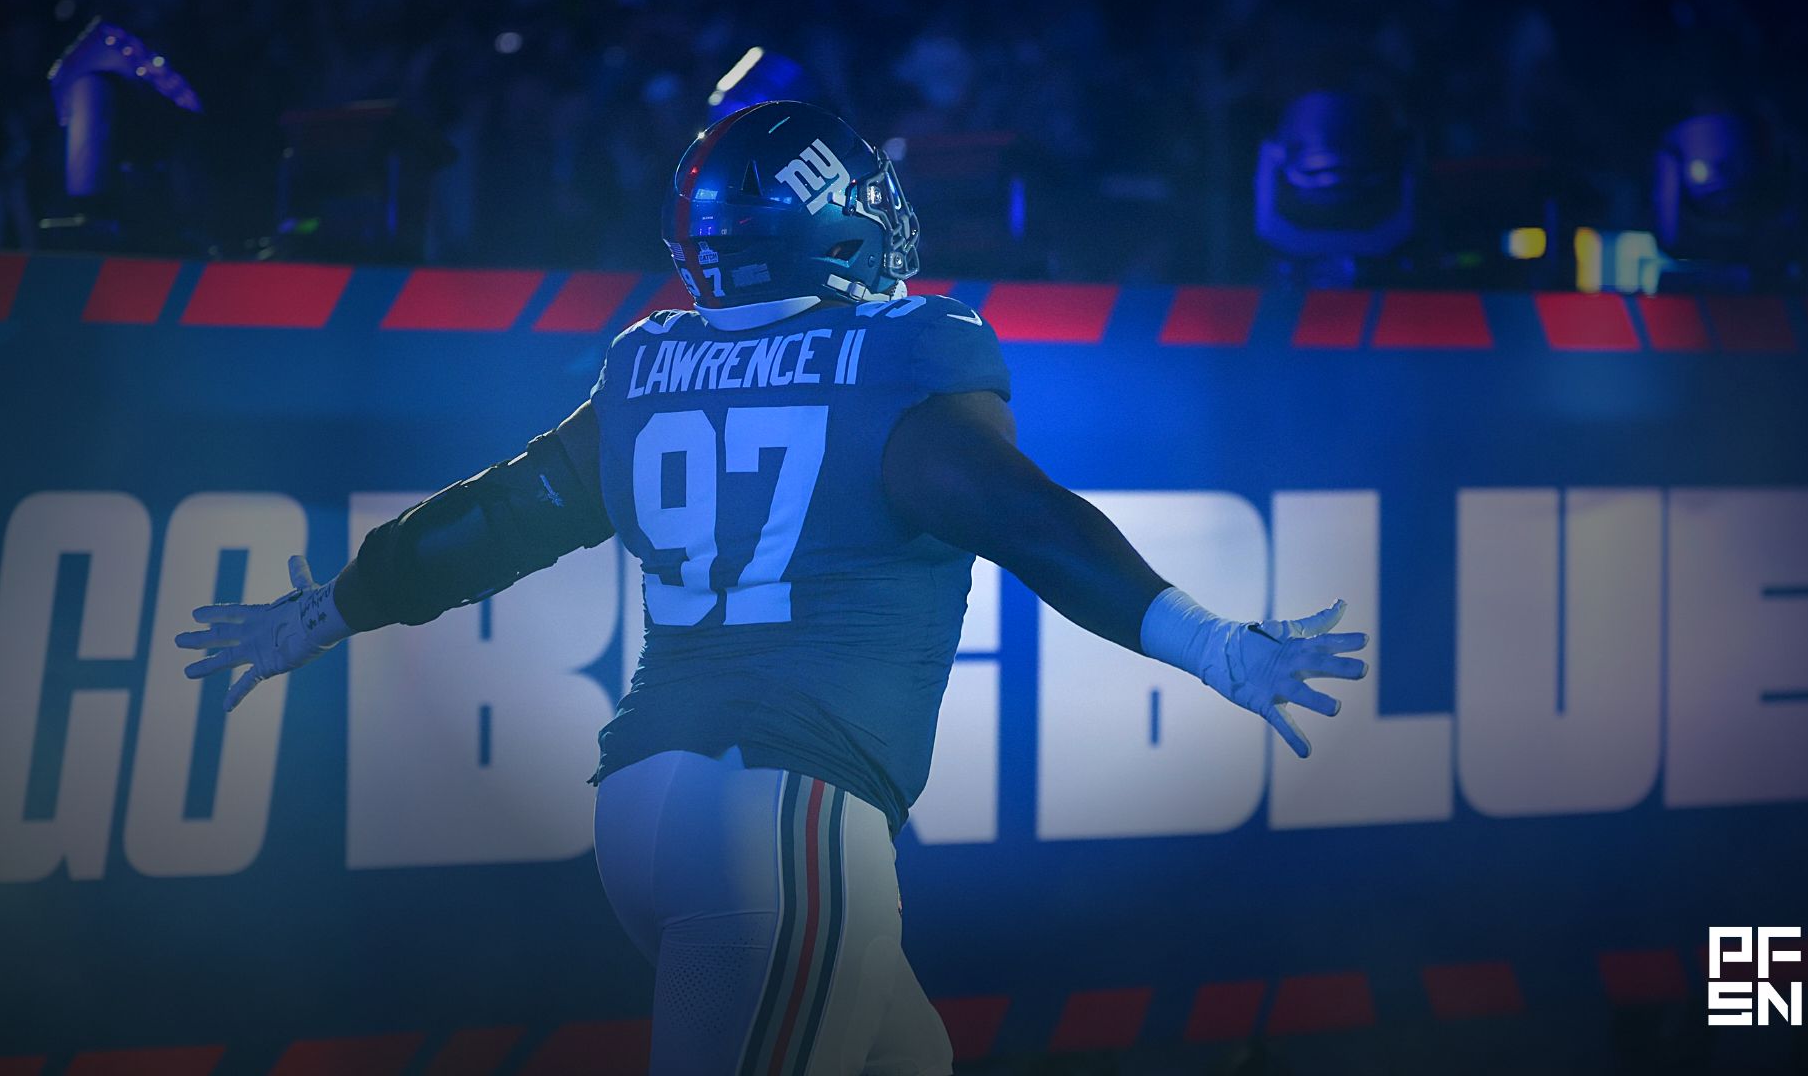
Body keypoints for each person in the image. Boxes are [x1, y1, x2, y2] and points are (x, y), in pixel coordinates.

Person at [176, 100, 1367, 1076]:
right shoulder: (896, 355)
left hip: (646, 812)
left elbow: (498, 522)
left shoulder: (651, 364)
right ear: (837, 226)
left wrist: (325, 612)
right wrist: (1218, 649)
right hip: (780, 820)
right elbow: (1030, 526)